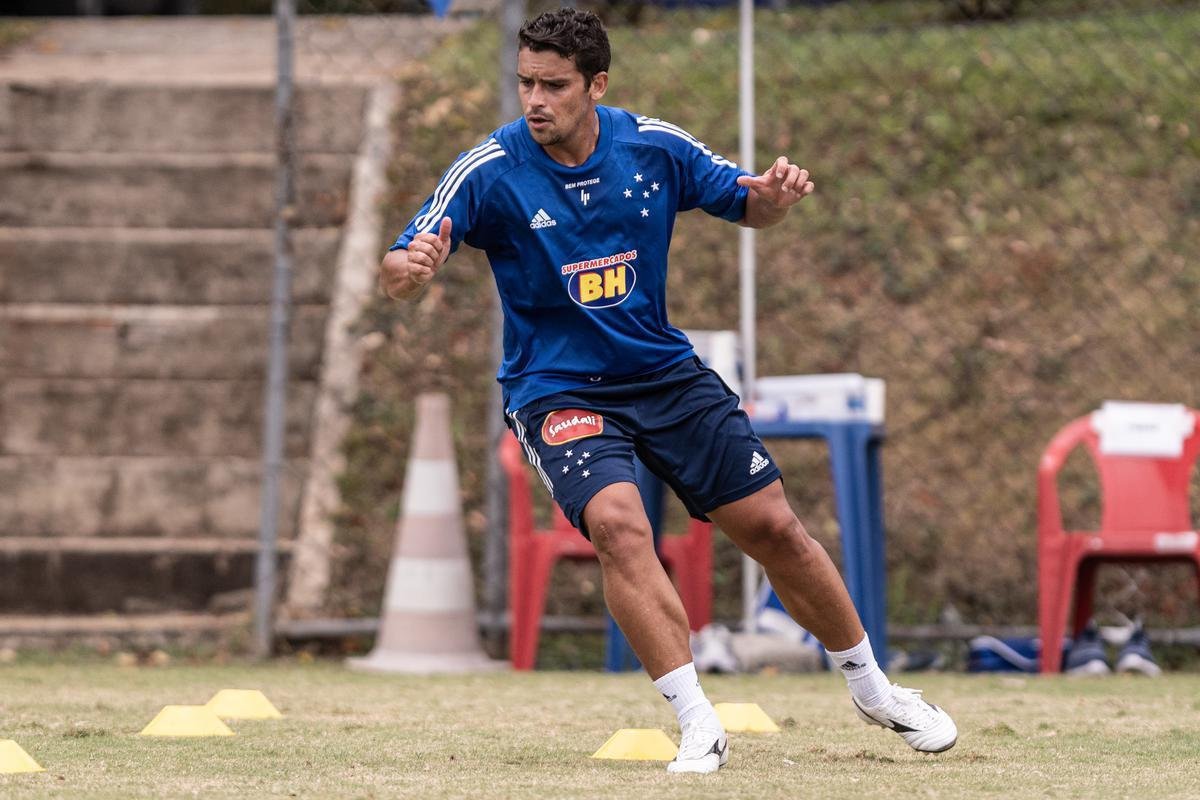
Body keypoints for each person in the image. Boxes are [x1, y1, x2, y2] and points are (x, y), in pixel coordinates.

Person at [381, 7, 957, 774]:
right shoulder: (490, 169)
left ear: (597, 85)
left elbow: (744, 200)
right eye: (524, 83)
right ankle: (697, 722)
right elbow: (399, 265)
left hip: (664, 376)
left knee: (774, 528)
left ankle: (873, 687)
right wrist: (409, 273)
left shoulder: (653, 146)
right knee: (620, 526)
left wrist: (775, 200)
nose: (534, 101)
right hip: (558, 391)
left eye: (553, 85)